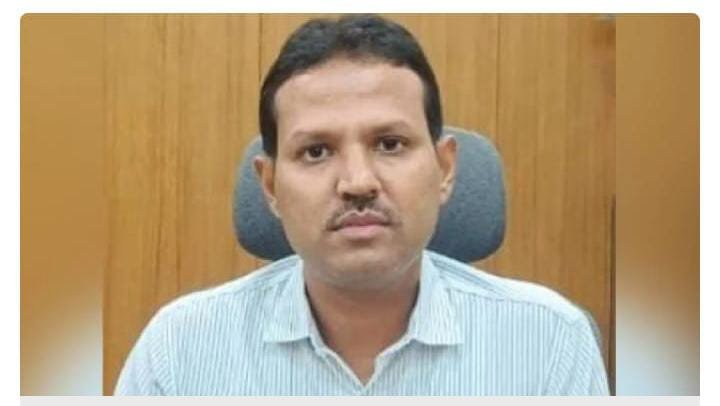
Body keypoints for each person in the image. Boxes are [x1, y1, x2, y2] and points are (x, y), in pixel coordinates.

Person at [114, 14, 610, 396]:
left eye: (390, 144)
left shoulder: (547, 340)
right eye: (316, 151)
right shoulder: (180, 350)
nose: (357, 182)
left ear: (445, 169)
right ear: (270, 187)